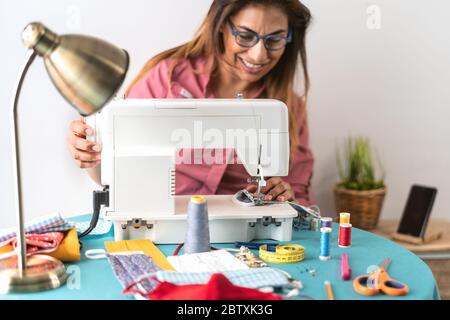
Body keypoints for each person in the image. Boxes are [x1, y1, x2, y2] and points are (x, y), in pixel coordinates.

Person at [67, 0, 314, 206]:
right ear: (221, 27)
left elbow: (298, 196)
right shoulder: (168, 78)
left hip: (245, 236)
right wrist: (91, 152)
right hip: (159, 221)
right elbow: (114, 174)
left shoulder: (288, 106)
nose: (259, 54)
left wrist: (285, 195)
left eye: (275, 40)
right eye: (245, 36)